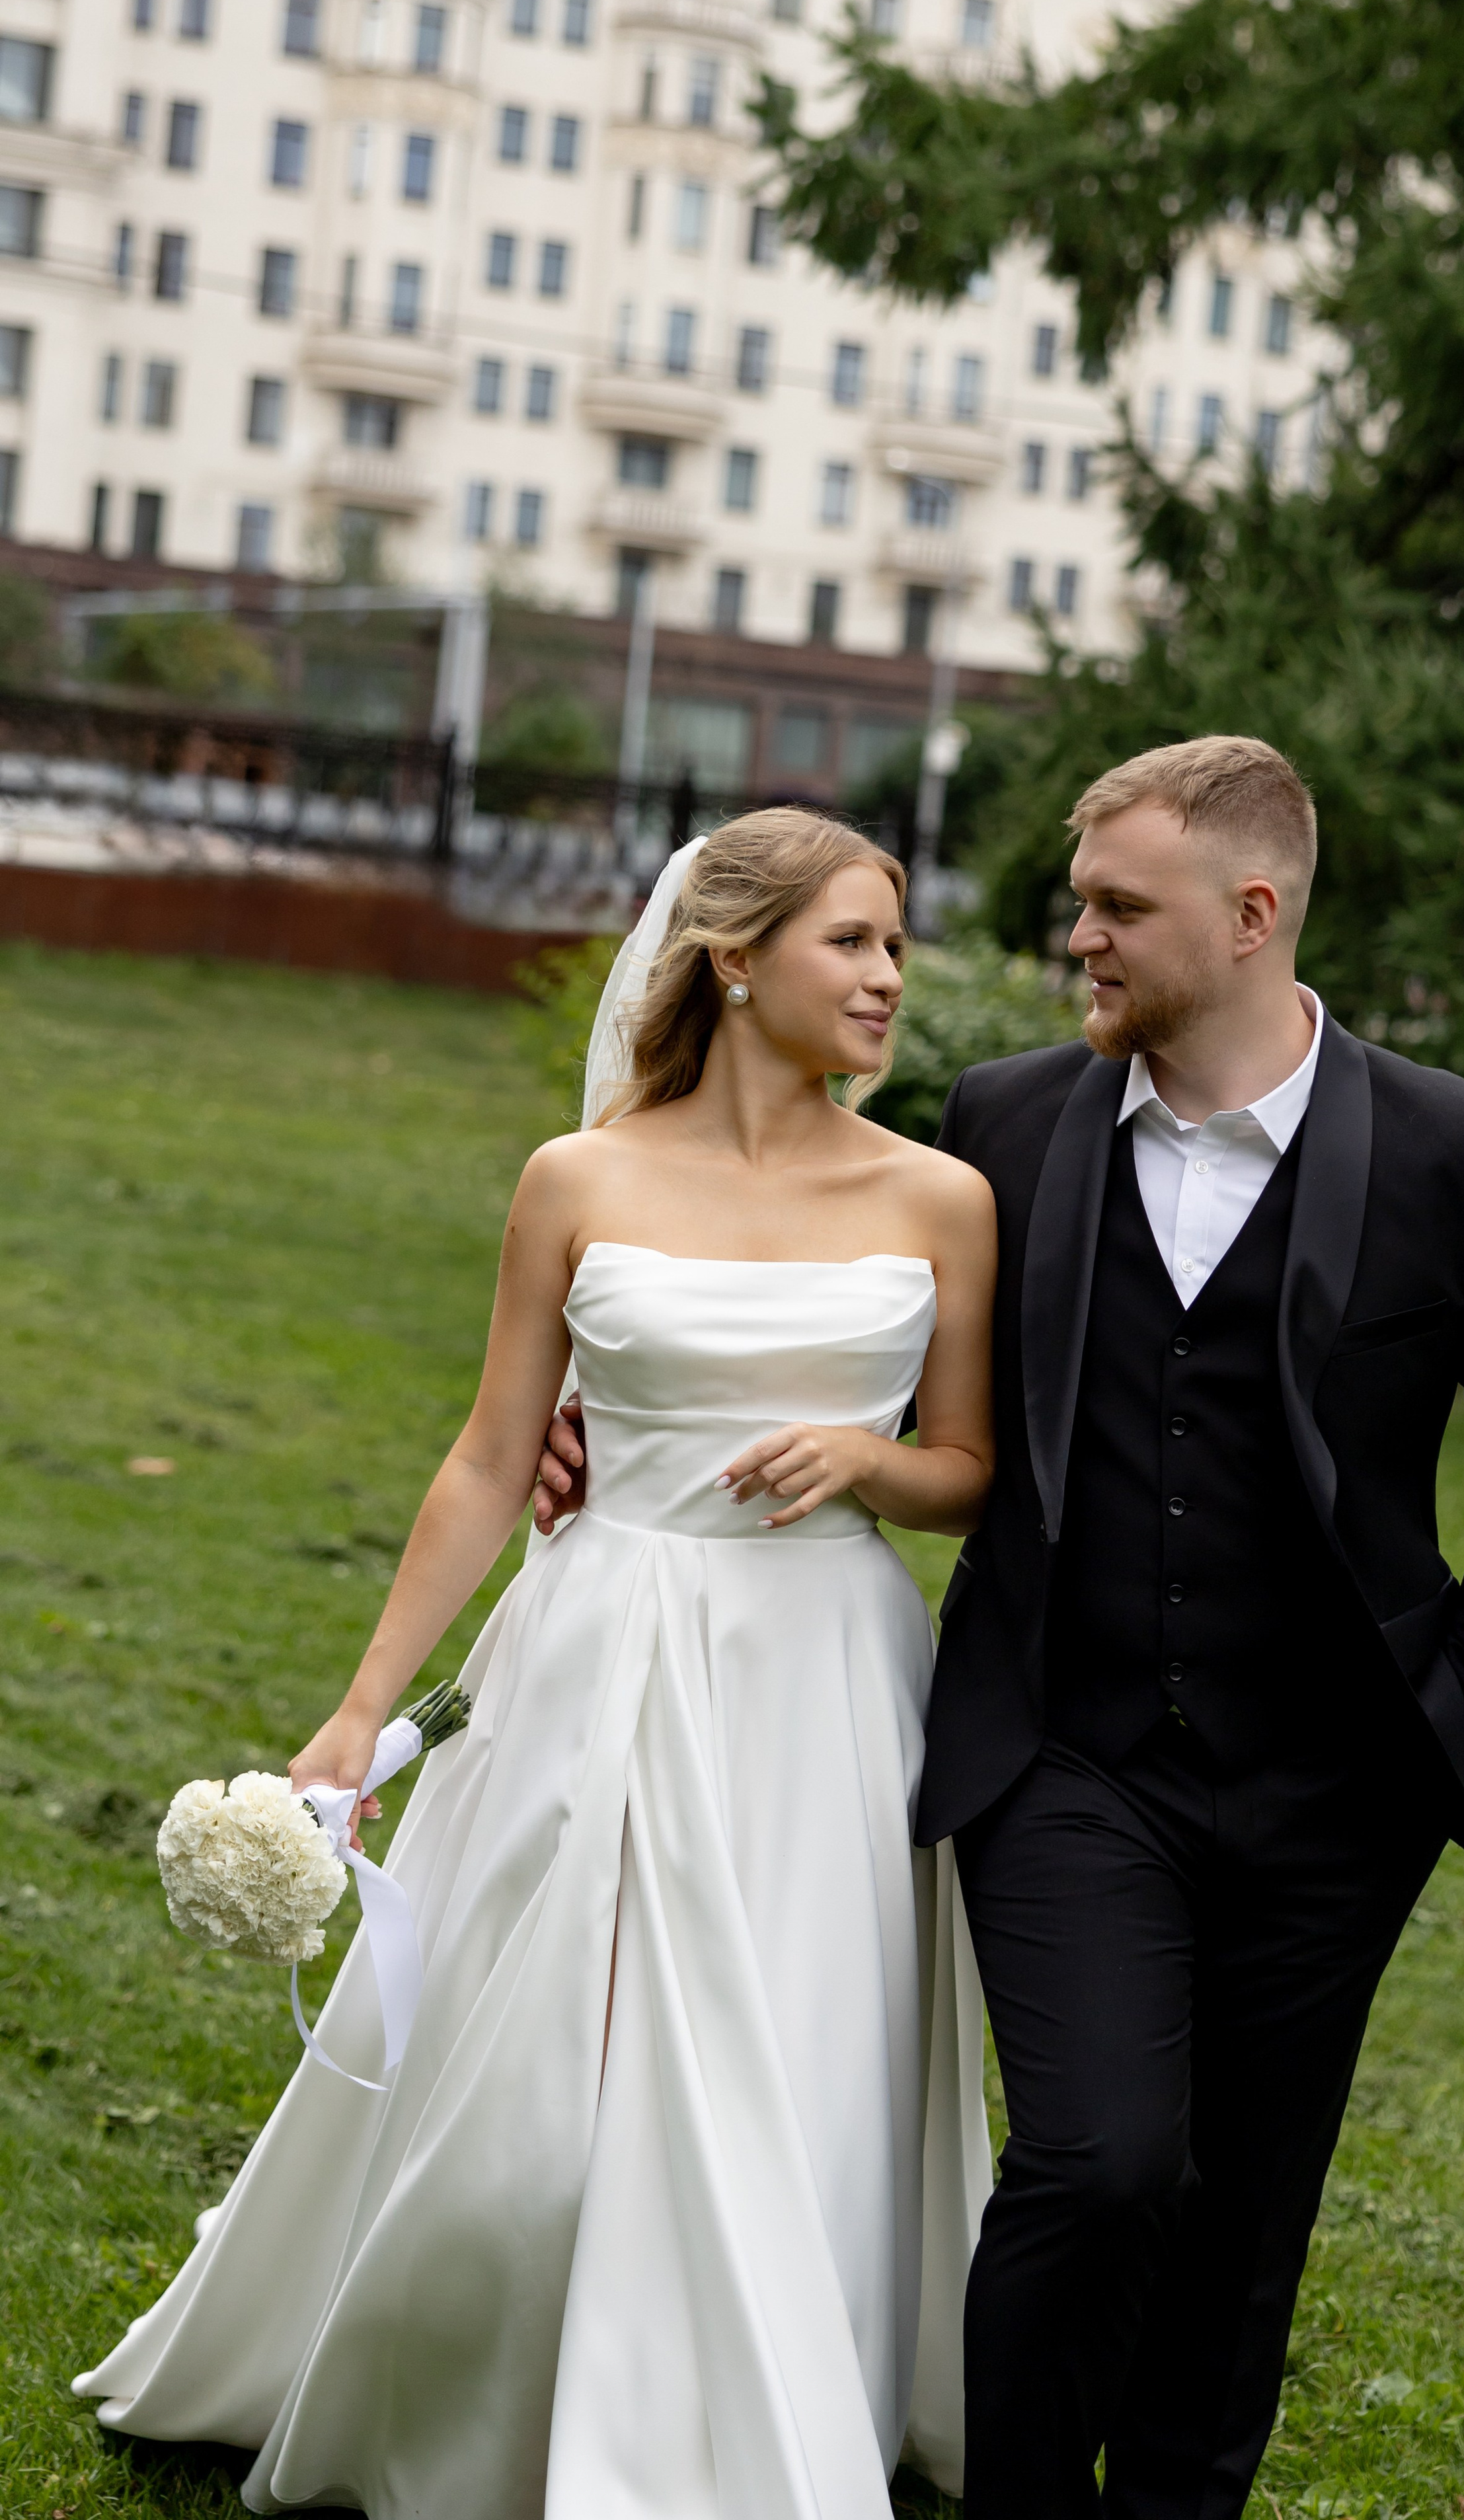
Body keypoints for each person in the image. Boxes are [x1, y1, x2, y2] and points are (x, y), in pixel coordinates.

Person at [532, 734, 1464, 2519]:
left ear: (1249, 915)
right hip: (1065, 1754)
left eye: (1117, 907)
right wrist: (602, 1419)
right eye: (1079, 902)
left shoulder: (1457, 1150)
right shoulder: (1008, 1122)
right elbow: (847, 1327)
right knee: (1099, 2163)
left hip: (1339, 1785)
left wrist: (1461, 1725)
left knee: (1247, 2210)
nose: (1078, 937)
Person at [74, 810, 998, 2520]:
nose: (888, 978)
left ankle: (766, 2390)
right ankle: (496, 2379)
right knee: (550, 2064)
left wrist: (869, 1464)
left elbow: (970, 1471)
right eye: (853, 941)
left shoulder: (941, 1197)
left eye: (895, 945)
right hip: (598, 1644)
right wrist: (363, 1706)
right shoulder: (580, 1180)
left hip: (822, 1680)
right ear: (736, 960)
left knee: (792, 2046)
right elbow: (496, 1455)